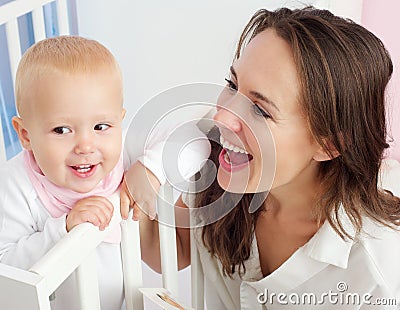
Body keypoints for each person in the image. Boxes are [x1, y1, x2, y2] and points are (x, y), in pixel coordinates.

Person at [123, 6, 400, 309]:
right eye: (232, 85)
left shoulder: (377, 272)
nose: (223, 116)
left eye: (260, 110)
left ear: (329, 145)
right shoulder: (220, 166)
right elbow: (170, 248)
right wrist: (127, 180)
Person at [0, 35, 209, 310]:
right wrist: (63, 229)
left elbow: (197, 139)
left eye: (101, 126)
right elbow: (7, 273)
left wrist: (151, 169)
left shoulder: (124, 150)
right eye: (62, 130)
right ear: (25, 135)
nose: (86, 146)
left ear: (119, 120)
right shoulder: (14, 185)